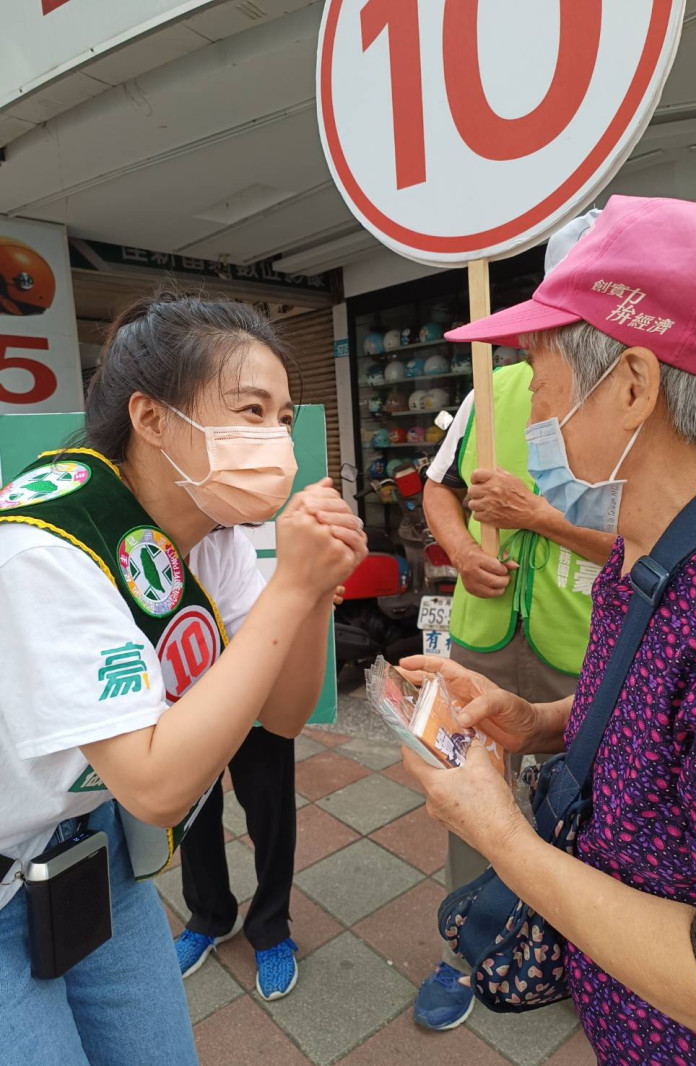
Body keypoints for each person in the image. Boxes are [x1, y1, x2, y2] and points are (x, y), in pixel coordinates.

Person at [401, 196, 696, 1065]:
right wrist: (538, 721)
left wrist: (501, 838)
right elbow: (684, 727)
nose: (532, 405)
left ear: (631, 384)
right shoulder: (648, 547)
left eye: (540, 375)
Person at [0, 293, 367, 1066]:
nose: (276, 440)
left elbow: (284, 715)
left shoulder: (210, 524)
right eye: (249, 411)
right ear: (153, 419)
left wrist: (307, 600)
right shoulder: (45, 551)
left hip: (87, 850)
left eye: (282, 416)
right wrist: (293, 591)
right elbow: (157, 786)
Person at [414, 212, 613, 1032]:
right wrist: (460, 548)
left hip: (586, 642)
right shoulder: (487, 384)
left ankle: (581, 942)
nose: (539, 355)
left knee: (591, 804)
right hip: (483, 641)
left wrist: (544, 519)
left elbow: (654, 543)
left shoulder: (640, 405)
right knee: (465, 782)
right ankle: (470, 942)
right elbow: (436, 487)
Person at [174, 727, 300, 1000]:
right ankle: (210, 916)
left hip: (262, 696)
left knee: (269, 804)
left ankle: (271, 927)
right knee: (193, 804)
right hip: (184, 693)